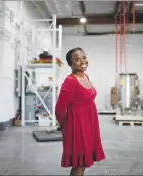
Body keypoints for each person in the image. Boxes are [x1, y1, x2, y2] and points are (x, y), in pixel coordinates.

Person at [55, 47, 105, 176]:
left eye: (83, 57)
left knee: (84, 163)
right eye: (77, 60)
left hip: (89, 125)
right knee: (79, 163)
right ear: (70, 64)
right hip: (77, 127)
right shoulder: (70, 82)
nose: (82, 61)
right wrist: (66, 126)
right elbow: (59, 109)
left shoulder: (85, 76)